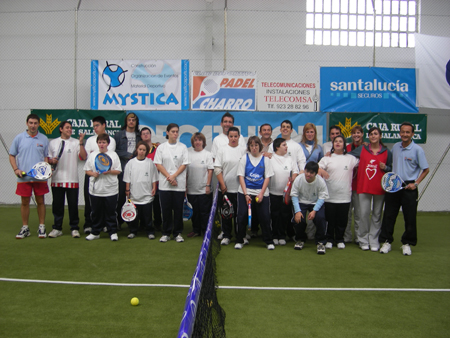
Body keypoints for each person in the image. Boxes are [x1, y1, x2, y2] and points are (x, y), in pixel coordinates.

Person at [378, 122, 429, 256]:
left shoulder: (417, 150)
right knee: (389, 215)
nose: (405, 134)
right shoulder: (395, 147)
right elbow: (393, 166)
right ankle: (386, 241)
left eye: (408, 132)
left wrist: (416, 183)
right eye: (403, 132)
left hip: (409, 187)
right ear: (399, 133)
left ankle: (407, 243)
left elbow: (426, 169)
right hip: (394, 186)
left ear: (412, 134)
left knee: (410, 217)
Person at [349, 126, 392, 251]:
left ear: (380, 136)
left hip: (380, 188)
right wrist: (332, 152)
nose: (373, 136)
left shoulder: (386, 152)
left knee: (377, 215)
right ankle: (363, 240)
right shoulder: (362, 149)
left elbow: (391, 168)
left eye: (376, 134)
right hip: (364, 187)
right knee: (363, 214)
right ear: (368, 136)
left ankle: (373, 240)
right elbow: (346, 155)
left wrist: (386, 168)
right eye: (371, 134)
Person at [10, 113, 50, 239]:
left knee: (41, 201)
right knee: (25, 202)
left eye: (35, 123)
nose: (33, 126)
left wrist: (45, 171)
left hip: (39, 178)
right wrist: (16, 169)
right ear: (27, 123)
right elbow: (12, 155)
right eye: (31, 123)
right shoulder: (19, 138)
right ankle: (25, 228)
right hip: (24, 178)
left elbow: (45, 157)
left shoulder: (44, 139)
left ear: (39, 124)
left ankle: (42, 227)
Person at [47, 121, 87, 238]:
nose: (69, 130)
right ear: (61, 129)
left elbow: (83, 157)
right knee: (57, 205)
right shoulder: (53, 143)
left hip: (72, 179)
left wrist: (81, 143)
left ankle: (74, 228)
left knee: (73, 205)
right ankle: (57, 228)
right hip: (57, 179)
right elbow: (48, 159)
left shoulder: (75, 142)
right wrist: (51, 161)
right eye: (67, 127)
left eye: (71, 128)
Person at [318, 135, 359, 249]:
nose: (338, 143)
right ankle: (330, 239)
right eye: (336, 141)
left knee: (342, 220)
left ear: (344, 145)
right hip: (330, 195)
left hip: (345, 195)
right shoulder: (327, 158)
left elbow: (363, 160)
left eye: (340, 141)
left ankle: (340, 239)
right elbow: (316, 167)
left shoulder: (351, 158)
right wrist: (321, 170)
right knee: (330, 219)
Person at [236, 136, 274, 250]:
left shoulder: (266, 159)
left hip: (261, 193)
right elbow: (241, 177)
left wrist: (261, 193)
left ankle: (268, 241)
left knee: (265, 217)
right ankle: (240, 240)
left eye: (256, 145)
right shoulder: (244, 158)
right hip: (245, 192)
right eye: (251, 145)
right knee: (241, 216)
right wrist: (246, 194)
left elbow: (267, 177)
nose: (254, 148)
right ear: (249, 147)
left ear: (260, 146)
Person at [154, 123, 190, 243]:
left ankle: (178, 233)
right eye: (173, 131)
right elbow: (158, 164)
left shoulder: (183, 147)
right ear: (167, 132)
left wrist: (174, 176)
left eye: (177, 131)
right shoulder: (161, 148)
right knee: (166, 210)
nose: (175, 134)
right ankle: (166, 233)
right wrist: (169, 177)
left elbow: (184, 164)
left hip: (178, 185)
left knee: (178, 210)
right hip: (165, 185)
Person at [83, 133, 121, 241]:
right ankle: (95, 232)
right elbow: (87, 170)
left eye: (104, 142)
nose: (101, 144)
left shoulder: (113, 155)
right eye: (99, 142)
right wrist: (93, 174)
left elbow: (118, 170)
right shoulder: (92, 155)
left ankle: (112, 232)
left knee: (111, 212)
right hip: (96, 190)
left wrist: (109, 171)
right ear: (97, 143)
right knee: (96, 212)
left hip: (111, 189)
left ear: (108, 143)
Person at [214, 126, 247, 245]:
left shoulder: (244, 150)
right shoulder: (222, 150)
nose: (233, 138)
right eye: (231, 136)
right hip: (226, 189)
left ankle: (241, 236)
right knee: (226, 214)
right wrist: (223, 185)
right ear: (228, 137)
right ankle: (227, 235)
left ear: (239, 137)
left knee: (240, 215)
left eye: (235, 136)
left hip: (240, 190)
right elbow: (217, 169)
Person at [290, 161, 329, 254]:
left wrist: (314, 211)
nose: (308, 174)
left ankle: (320, 242)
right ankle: (300, 239)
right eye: (307, 171)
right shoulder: (299, 179)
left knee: (320, 218)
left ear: (315, 173)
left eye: (311, 173)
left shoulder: (320, 181)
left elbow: (322, 197)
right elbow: (294, 196)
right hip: (301, 202)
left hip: (315, 203)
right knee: (299, 219)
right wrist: (298, 211)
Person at [123, 141, 158, 239]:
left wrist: (154, 188)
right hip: (134, 194)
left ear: (146, 151)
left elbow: (154, 177)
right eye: (140, 149)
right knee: (134, 215)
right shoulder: (131, 163)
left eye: (144, 150)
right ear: (137, 150)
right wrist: (127, 190)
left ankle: (150, 231)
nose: (141, 151)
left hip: (147, 194)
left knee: (147, 215)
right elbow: (127, 178)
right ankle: (133, 231)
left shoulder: (150, 163)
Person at [114, 113, 142, 228]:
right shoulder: (118, 135)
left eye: (133, 120)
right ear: (126, 121)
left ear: (136, 122)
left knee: (136, 196)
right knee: (121, 197)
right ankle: (119, 222)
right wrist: (128, 155)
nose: (131, 122)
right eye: (129, 120)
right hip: (122, 169)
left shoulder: (139, 136)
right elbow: (113, 151)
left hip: (136, 170)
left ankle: (135, 222)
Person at [269, 138, 299, 246]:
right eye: (284, 145)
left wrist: (293, 178)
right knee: (274, 215)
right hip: (273, 193)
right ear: (277, 147)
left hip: (286, 194)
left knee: (284, 215)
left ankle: (282, 235)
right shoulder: (270, 158)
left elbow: (295, 171)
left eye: (286, 144)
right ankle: (274, 235)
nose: (286, 147)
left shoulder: (290, 159)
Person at [299, 122, 324, 241]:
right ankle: (300, 235)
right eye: (307, 131)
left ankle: (312, 233)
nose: (309, 134)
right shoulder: (299, 146)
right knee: (302, 207)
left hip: (313, 181)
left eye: (312, 132)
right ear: (304, 133)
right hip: (302, 180)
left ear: (315, 133)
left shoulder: (319, 148)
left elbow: (321, 163)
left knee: (314, 208)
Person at [186, 133, 214, 237]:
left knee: (205, 212)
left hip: (204, 189)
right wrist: (185, 187)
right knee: (195, 212)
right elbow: (186, 172)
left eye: (199, 140)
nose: (197, 142)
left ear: (203, 142)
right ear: (193, 142)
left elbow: (210, 171)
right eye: (195, 140)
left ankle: (206, 231)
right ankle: (196, 230)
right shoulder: (188, 154)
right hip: (191, 189)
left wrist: (207, 185)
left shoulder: (208, 154)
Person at [344, 125, 364, 243]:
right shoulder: (347, 147)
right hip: (347, 185)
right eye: (354, 133)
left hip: (359, 186)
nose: (356, 135)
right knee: (347, 214)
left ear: (362, 134)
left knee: (358, 214)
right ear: (351, 135)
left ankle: (358, 237)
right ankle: (346, 237)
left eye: (358, 133)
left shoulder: (367, 148)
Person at [140, 127, 162, 231]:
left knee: (156, 203)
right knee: (143, 203)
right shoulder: (139, 149)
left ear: (150, 135)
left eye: (147, 133)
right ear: (140, 136)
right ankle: (143, 223)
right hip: (143, 180)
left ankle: (157, 223)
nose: (145, 135)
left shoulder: (157, 148)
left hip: (155, 180)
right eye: (143, 134)